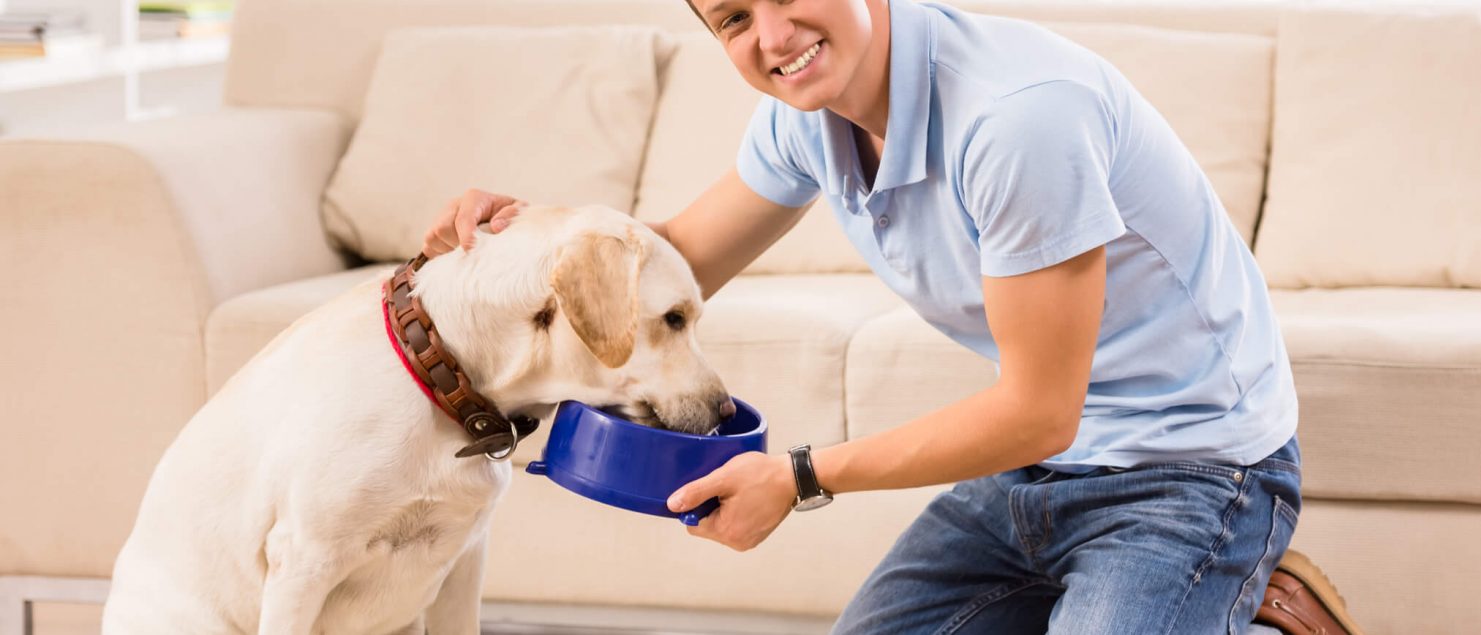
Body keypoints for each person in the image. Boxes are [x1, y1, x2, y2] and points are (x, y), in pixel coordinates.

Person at [422, 1, 1312, 632]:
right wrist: (526, 246)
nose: (773, 36)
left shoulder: (1018, 118)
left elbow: (1043, 407)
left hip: (1189, 468)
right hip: (1035, 472)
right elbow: (672, 265)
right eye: (733, 18)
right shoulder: (806, 120)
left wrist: (798, 477)